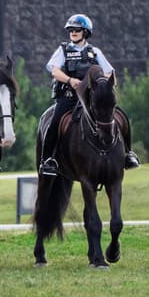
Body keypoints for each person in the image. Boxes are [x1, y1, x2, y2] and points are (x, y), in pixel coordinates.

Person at [38, 13, 141, 176]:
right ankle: (48, 160)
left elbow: (110, 73)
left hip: (92, 98)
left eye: (77, 30)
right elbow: (55, 71)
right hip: (70, 97)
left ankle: (128, 153)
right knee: (55, 122)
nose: (73, 32)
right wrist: (70, 80)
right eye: (71, 30)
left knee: (122, 116)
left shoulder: (95, 52)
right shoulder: (63, 50)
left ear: (85, 32)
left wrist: (101, 83)